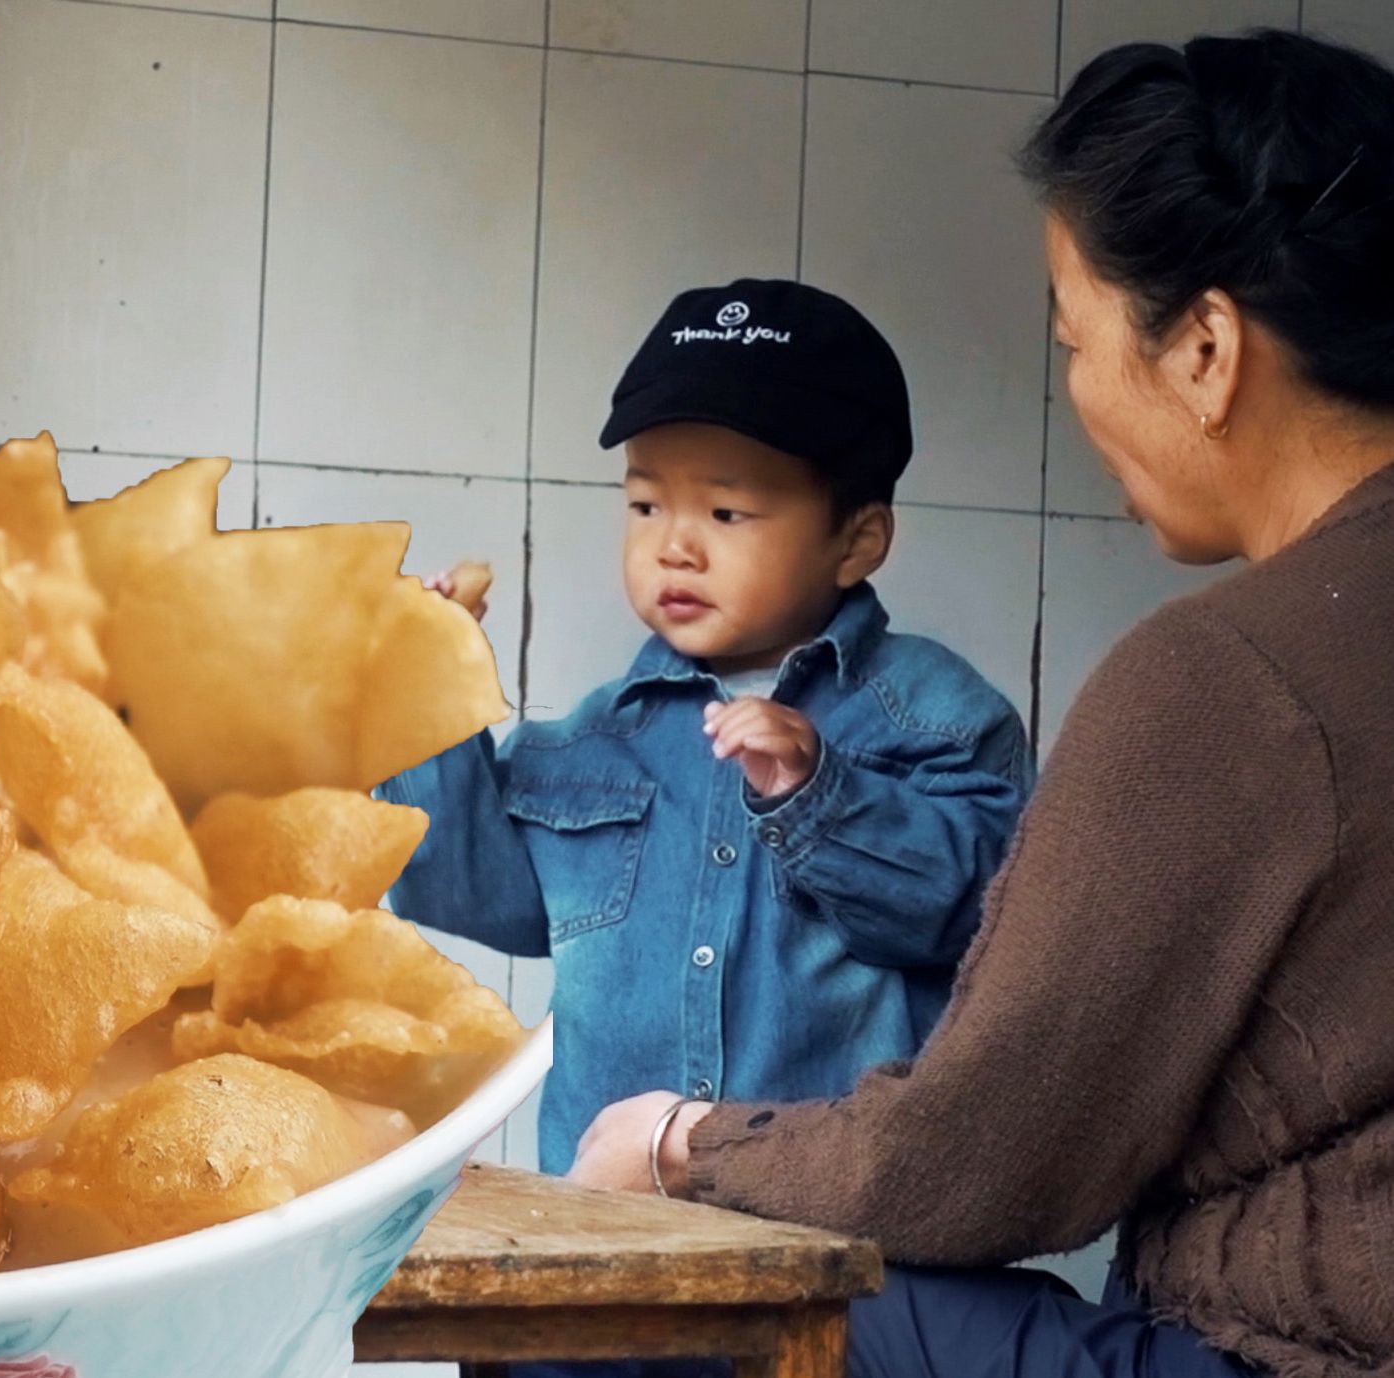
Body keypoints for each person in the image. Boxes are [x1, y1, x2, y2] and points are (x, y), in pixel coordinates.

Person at [577, 30, 1394, 1378]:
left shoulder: (1219, 680)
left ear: (1202, 349)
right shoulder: (618, 719)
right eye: (653, 502)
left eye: (1074, 340)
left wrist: (679, 1141)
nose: (680, 544)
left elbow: (985, 1160)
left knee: (640, 1306)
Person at [386, 279, 1032, 1377]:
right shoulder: (593, 738)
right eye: (646, 506)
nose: (674, 546)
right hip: (597, 1286)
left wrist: (818, 794)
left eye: (726, 512)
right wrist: (426, 699)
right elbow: (467, 893)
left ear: (858, 537)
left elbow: (982, 920)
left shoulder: (937, 719)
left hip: (832, 1295)